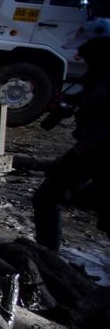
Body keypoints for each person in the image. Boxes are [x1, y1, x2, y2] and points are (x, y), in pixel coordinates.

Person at [33, 19, 110, 251]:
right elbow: (92, 99)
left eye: (85, 47)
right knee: (48, 196)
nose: (80, 52)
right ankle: (48, 256)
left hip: (100, 149)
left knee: (51, 195)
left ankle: (48, 258)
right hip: (93, 148)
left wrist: (77, 155)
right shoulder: (100, 71)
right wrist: (69, 102)